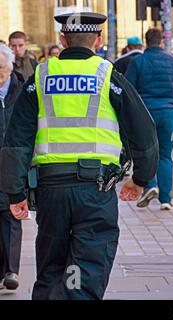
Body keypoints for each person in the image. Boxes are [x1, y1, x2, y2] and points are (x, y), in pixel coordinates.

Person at [0, 12, 159, 300]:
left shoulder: (40, 77)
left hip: (51, 192)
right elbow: (144, 132)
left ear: (62, 40)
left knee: (51, 270)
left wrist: (14, 192)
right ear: (97, 41)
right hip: (94, 193)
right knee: (84, 270)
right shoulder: (109, 76)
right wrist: (140, 179)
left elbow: (16, 139)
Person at [126, 28, 173, 211]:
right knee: (165, 155)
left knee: (147, 152)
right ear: (161, 42)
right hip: (168, 112)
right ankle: (165, 199)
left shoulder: (138, 61)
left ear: (146, 42)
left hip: (145, 113)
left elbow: (128, 89)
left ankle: (151, 185)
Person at [0, 44, 23, 292]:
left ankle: (11, 270)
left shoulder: (22, 88)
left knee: (12, 214)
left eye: (1, 67)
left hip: (14, 162)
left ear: (10, 65)